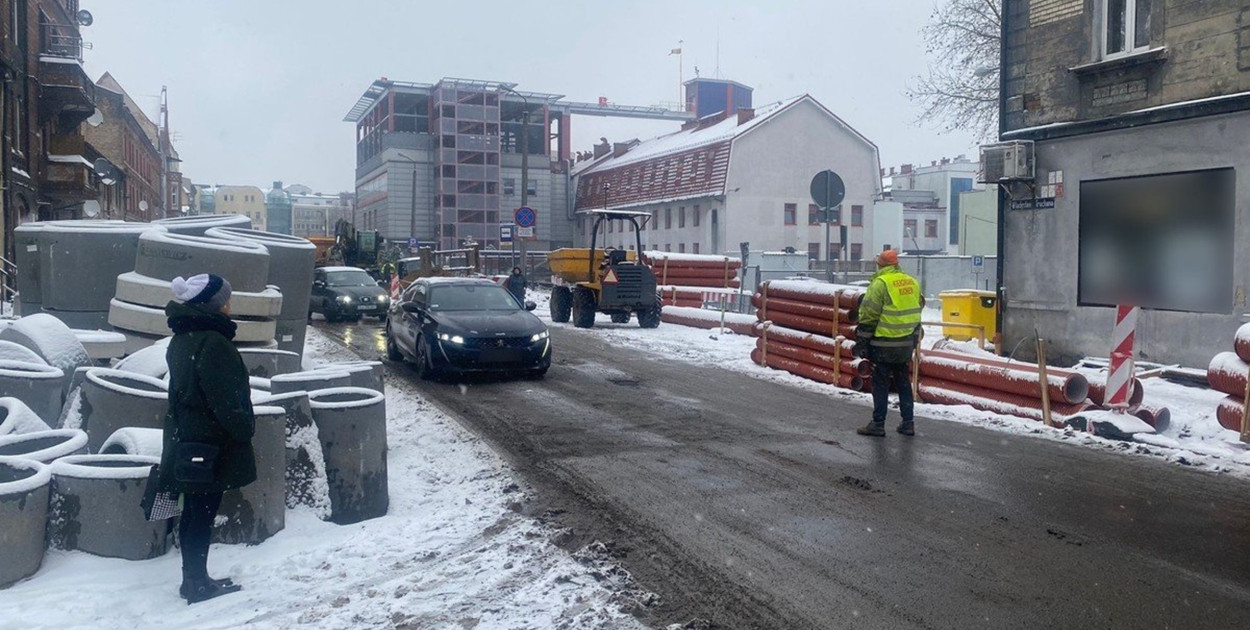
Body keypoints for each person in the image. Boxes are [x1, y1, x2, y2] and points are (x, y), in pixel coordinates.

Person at [159, 273, 256, 604]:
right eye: (226, 299)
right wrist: (244, 428)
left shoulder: (184, 338)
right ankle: (198, 584)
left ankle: (193, 580)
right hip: (209, 445)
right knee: (201, 514)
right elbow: (226, 401)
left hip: (189, 441)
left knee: (193, 514)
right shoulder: (213, 343)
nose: (230, 304)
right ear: (215, 304)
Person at [854, 250, 923, 437]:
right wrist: (914, 338)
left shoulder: (880, 283)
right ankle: (908, 423)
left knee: (881, 384)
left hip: (884, 342)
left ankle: (878, 424)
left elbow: (869, 314)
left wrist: (862, 341)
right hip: (905, 342)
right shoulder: (911, 281)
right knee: (903, 382)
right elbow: (917, 309)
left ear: (881, 265)